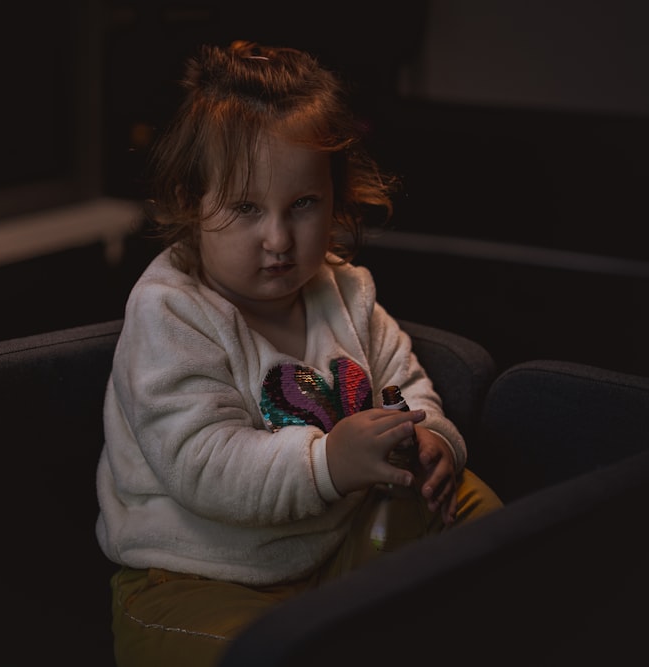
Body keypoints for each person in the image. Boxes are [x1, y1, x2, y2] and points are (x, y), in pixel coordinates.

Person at [94, 40, 503, 667]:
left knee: (472, 503)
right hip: (195, 580)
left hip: (336, 549)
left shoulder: (344, 290)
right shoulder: (170, 310)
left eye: (303, 205)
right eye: (246, 209)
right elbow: (202, 463)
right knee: (270, 654)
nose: (279, 239)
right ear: (189, 202)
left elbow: (403, 381)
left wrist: (431, 438)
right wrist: (328, 464)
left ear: (336, 198)